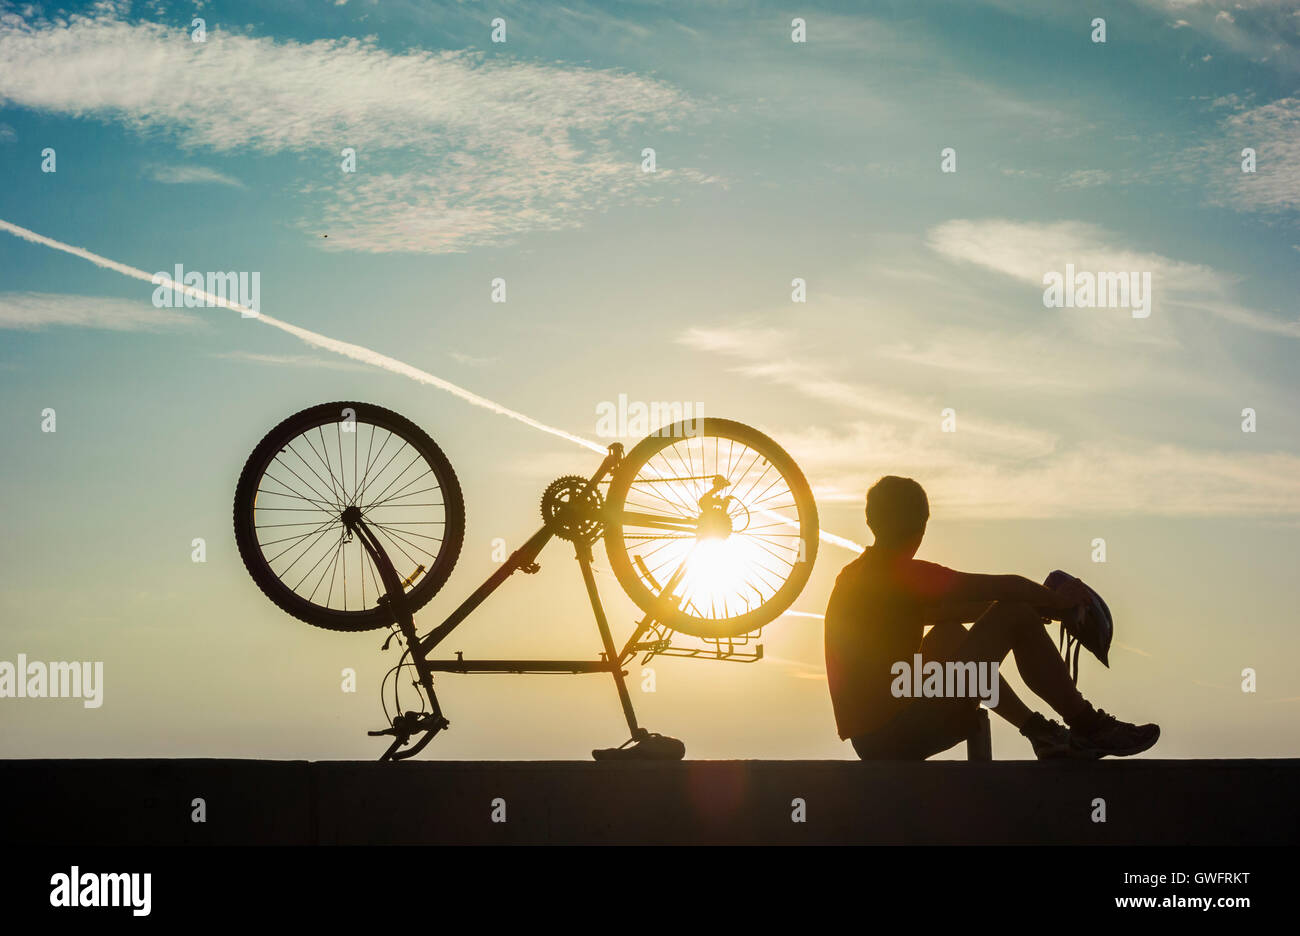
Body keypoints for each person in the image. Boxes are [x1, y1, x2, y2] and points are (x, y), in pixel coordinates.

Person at [824, 475, 1160, 760]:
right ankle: (1088, 725)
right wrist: (1055, 601)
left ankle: (1039, 733)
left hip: (873, 740)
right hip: (898, 730)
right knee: (1013, 612)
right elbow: (1004, 588)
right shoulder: (902, 575)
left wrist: (1040, 608)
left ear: (870, 521)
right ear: (920, 530)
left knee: (948, 636)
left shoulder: (857, 577)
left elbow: (958, 610)